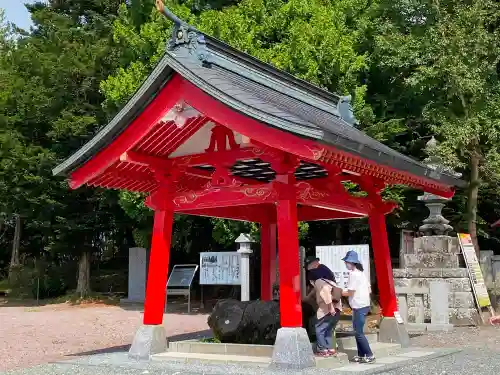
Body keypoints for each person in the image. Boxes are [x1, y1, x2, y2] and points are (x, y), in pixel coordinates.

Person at [341, 250, 375, 364]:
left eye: (346, 262)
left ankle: (369, 355)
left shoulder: (353, 274)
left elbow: (350, 292)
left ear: (351, 262)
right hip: (364, 305)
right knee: (357, 332)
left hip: (358, 306)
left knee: (359, 332)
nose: (345, 264)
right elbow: (369, 290)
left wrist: (337, 292)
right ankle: (361, 355)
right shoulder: (361, 273)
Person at [304, 257, 341, 357]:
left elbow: (325, 293)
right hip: (338, 307)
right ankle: (331, 349)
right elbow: (318, 289)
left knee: (319, 328)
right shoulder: (329, 279)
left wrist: (330, 307)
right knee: (329, 328)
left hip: (327, 308)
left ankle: (323, 350)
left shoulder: (319, 281)